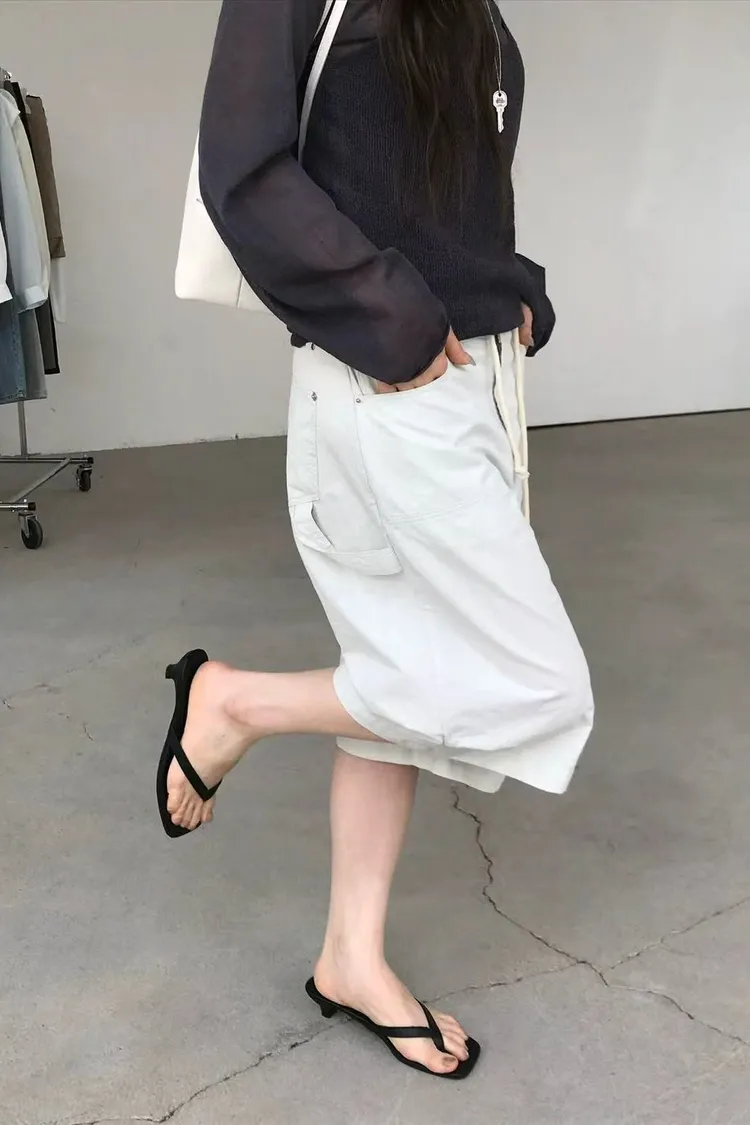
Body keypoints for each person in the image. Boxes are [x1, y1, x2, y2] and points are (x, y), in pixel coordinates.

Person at [157, 0, 594, 1079]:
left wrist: (507, 285)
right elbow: (246, 171)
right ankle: (235, 702)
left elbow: (446, 176)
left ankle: (351, 957)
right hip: (387, 382)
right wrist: (390, 313)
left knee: (395, 665)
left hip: (469, 374)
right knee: (539, 687)